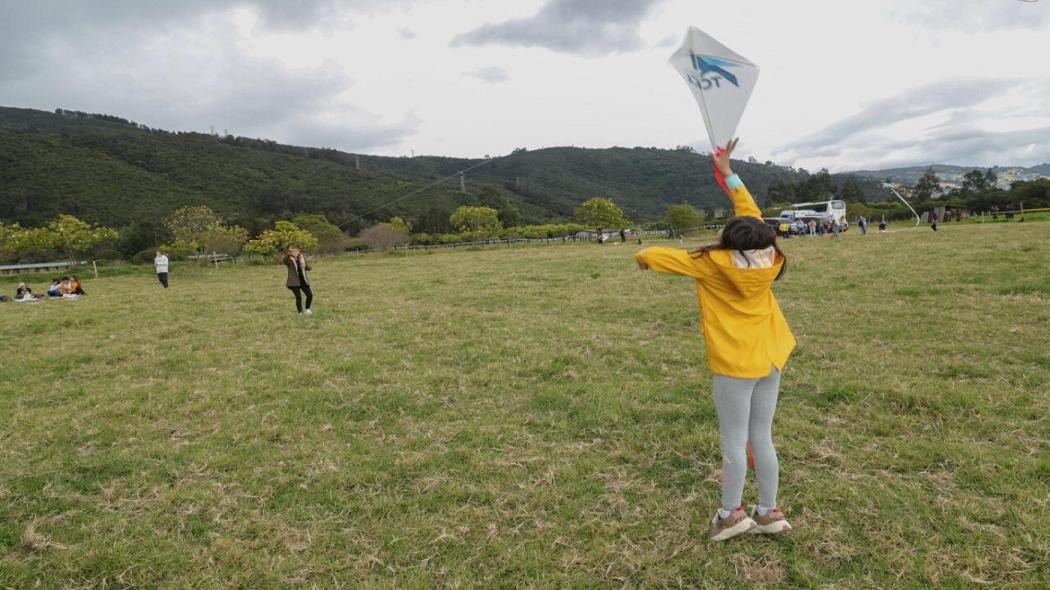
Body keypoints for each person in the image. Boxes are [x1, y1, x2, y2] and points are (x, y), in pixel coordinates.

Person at [635, 138, 795, 541]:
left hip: (735, 366)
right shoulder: (770, 254)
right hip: (772, 358)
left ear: (729, 240)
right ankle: (770, 512)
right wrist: (728, 172)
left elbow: (657, 254)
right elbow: (750, 212)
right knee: (763, 437)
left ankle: (731, 515)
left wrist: (642, 257)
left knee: (733, 442)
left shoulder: (710, 263)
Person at [282, 245, 313, 315]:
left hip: (303, 280)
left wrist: (305, 265)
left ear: (299, 251)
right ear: (290, 252)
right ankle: (300, 312)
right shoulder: (289, 260)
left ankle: (307, 309)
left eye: (296, 251)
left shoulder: (301, 258)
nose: (295, 252)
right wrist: (289, 254)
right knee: (298, 297)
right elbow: (284, 261)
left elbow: (308, 268)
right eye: (293, 251)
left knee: (310, 295)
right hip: (293, 282)